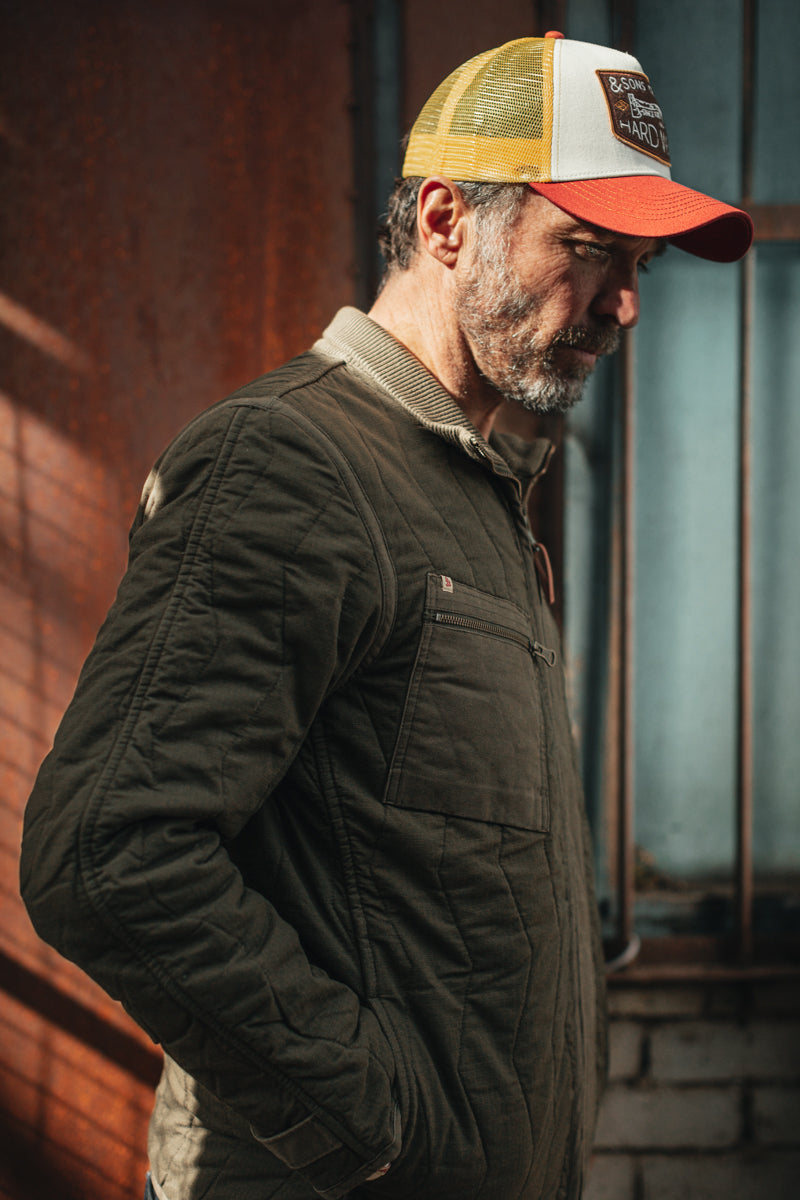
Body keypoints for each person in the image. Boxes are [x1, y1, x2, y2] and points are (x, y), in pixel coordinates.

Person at [20, 33, 752, 1200]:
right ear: (446, 221)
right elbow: (105, 854)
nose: (621, 304)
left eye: (638, 267)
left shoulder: (469, 488)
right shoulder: (291, 464)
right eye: (587, 251)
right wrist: (371, 1126)